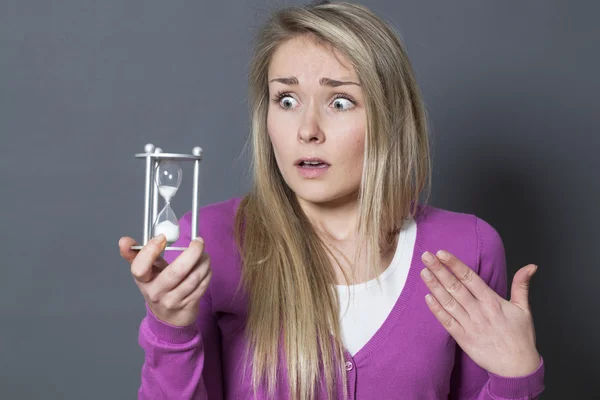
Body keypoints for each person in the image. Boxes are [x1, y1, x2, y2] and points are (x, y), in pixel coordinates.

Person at [119, 1, 545, 399]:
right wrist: (170, 329)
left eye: (339, 102)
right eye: (286, 100)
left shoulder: (467, 248)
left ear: (389, 117)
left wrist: (516, 374)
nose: (307, 130)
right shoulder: (206, 242)